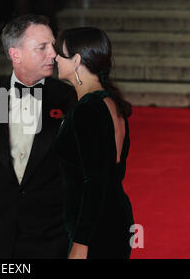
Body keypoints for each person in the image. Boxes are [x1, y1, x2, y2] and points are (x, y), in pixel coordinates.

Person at [0, 14, 77, 259]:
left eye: (53, 46)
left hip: (51, 234)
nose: (53, 54)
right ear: (16, 54)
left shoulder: (68, 98)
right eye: (42, 47)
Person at [54, 27, 134, 259]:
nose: (55, 58)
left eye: (61, 53)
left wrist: (81, 242)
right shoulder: (109, 101)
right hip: (114, 216)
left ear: (76, 60)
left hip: (94, 229)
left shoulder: (87, 109)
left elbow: (95, 180)